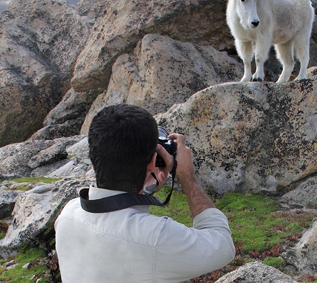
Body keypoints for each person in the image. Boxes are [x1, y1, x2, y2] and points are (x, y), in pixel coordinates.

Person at [55, 104, 235, 282]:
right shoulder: (156, 237)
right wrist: (187, 177)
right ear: (153, 162)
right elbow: (222, 243)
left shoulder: (67, 215)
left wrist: (145, 186)